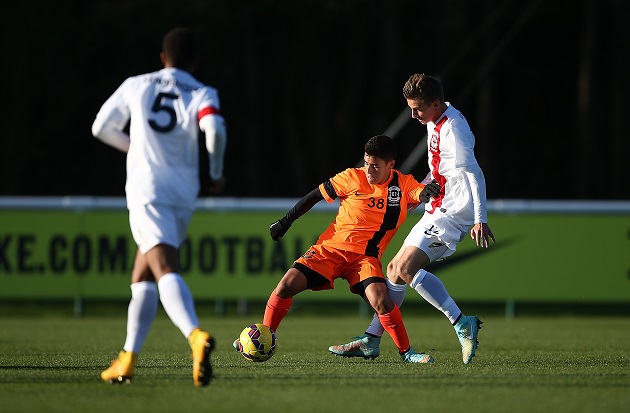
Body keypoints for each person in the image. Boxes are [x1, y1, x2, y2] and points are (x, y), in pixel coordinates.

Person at [91, 27, 227, 387]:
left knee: (163, 264)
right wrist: (215, 172)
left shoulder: (137, 83)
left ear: (163, 58)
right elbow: (214, 130)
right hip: (184, 191)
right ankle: (127, 359)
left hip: (146, 188)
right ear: (194, 62)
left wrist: (134, 148)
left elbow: (100, 127)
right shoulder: (201, 91)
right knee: (143, 275)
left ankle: (195, 335)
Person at [328, 73, 495, 365]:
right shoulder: (434, 121)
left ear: (435, 103)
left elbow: (474, 173)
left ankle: (461, 323)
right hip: (439, 205)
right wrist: (419, 193)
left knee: (404, 267)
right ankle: (371, 339)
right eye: (410, 108)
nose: (413, 114)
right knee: (393, 270)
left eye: (417, 108)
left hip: (455, 211)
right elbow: (439, 168)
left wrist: (481, 218)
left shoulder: (454, 129)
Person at [233, 135, 441, 363]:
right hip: (329, 250)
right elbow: (314, 197)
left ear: (390, 165)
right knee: (285, 286)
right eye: (366, 163)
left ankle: (408, 353)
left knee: (382, 300)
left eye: (375, 166)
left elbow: (419, 193)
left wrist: (426, 192)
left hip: (365, 258)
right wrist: (285, 222)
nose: (368, 170)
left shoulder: (402, 183)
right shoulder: (351, 176)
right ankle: (263, 335)